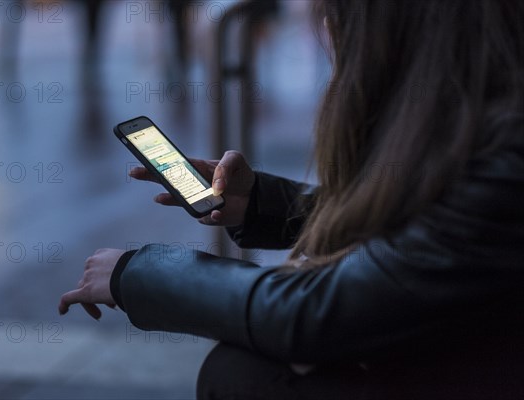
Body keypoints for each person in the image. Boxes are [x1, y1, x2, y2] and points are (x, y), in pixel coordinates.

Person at [59, 1, 524, 398]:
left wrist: (136, 273)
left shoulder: (508, 154)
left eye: (336, 16)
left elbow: (313, 314)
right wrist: (259, 201)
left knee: (241, 375)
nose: (327, 32)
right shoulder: (493, 119)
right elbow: (431, 236)